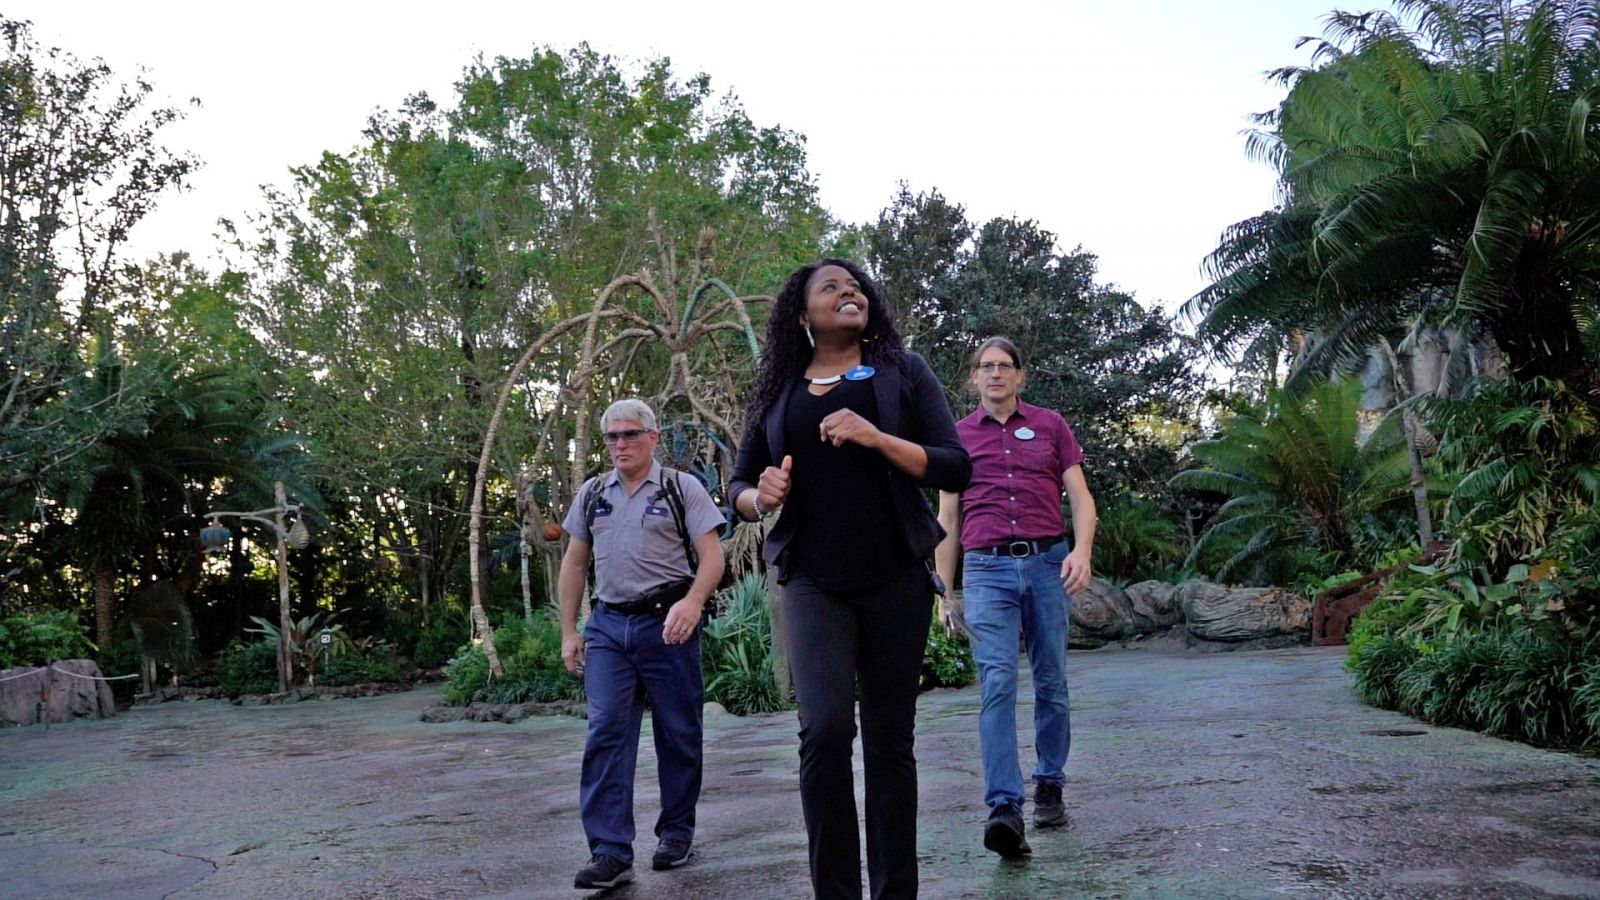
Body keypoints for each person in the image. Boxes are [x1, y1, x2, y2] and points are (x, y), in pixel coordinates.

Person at [729, 258, 971, 899]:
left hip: (895, 577)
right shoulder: (778, 385)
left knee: (890, 741)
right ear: (802, 313)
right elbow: (740, 484)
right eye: (831, 287)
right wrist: (762, 496)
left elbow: (954, 466)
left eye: (856, 285)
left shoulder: (902, 372)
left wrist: (876, 436)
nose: (850, 293)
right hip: (813, 581)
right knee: (827, 730)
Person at [934, 336, 1096, 858]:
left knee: (1051, 680)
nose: (996, 374)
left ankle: (1049, 781)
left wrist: (1082, 552)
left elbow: (1081, 497)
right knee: (997, 682)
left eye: (1005, 366)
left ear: (1020, 376)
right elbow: (948, 520)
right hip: (986, 572)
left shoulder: (1051, 426)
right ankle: (1004, 807)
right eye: (987, 367)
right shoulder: (955, 438)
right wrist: (944, 592)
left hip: (1050, 564)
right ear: (973, 378)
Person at [557, 398, 726, 890]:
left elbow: (711, 557)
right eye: (611, 437)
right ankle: (609, 851)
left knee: (678, 732)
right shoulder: (592, 493)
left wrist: (693, 602)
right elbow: (573, 563)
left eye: (629, 434)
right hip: (609, 628)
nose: (620, 444)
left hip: (667, 624)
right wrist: (570, 630)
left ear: (653, 437)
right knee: (606, 730)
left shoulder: (681, 488)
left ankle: (676, 833)